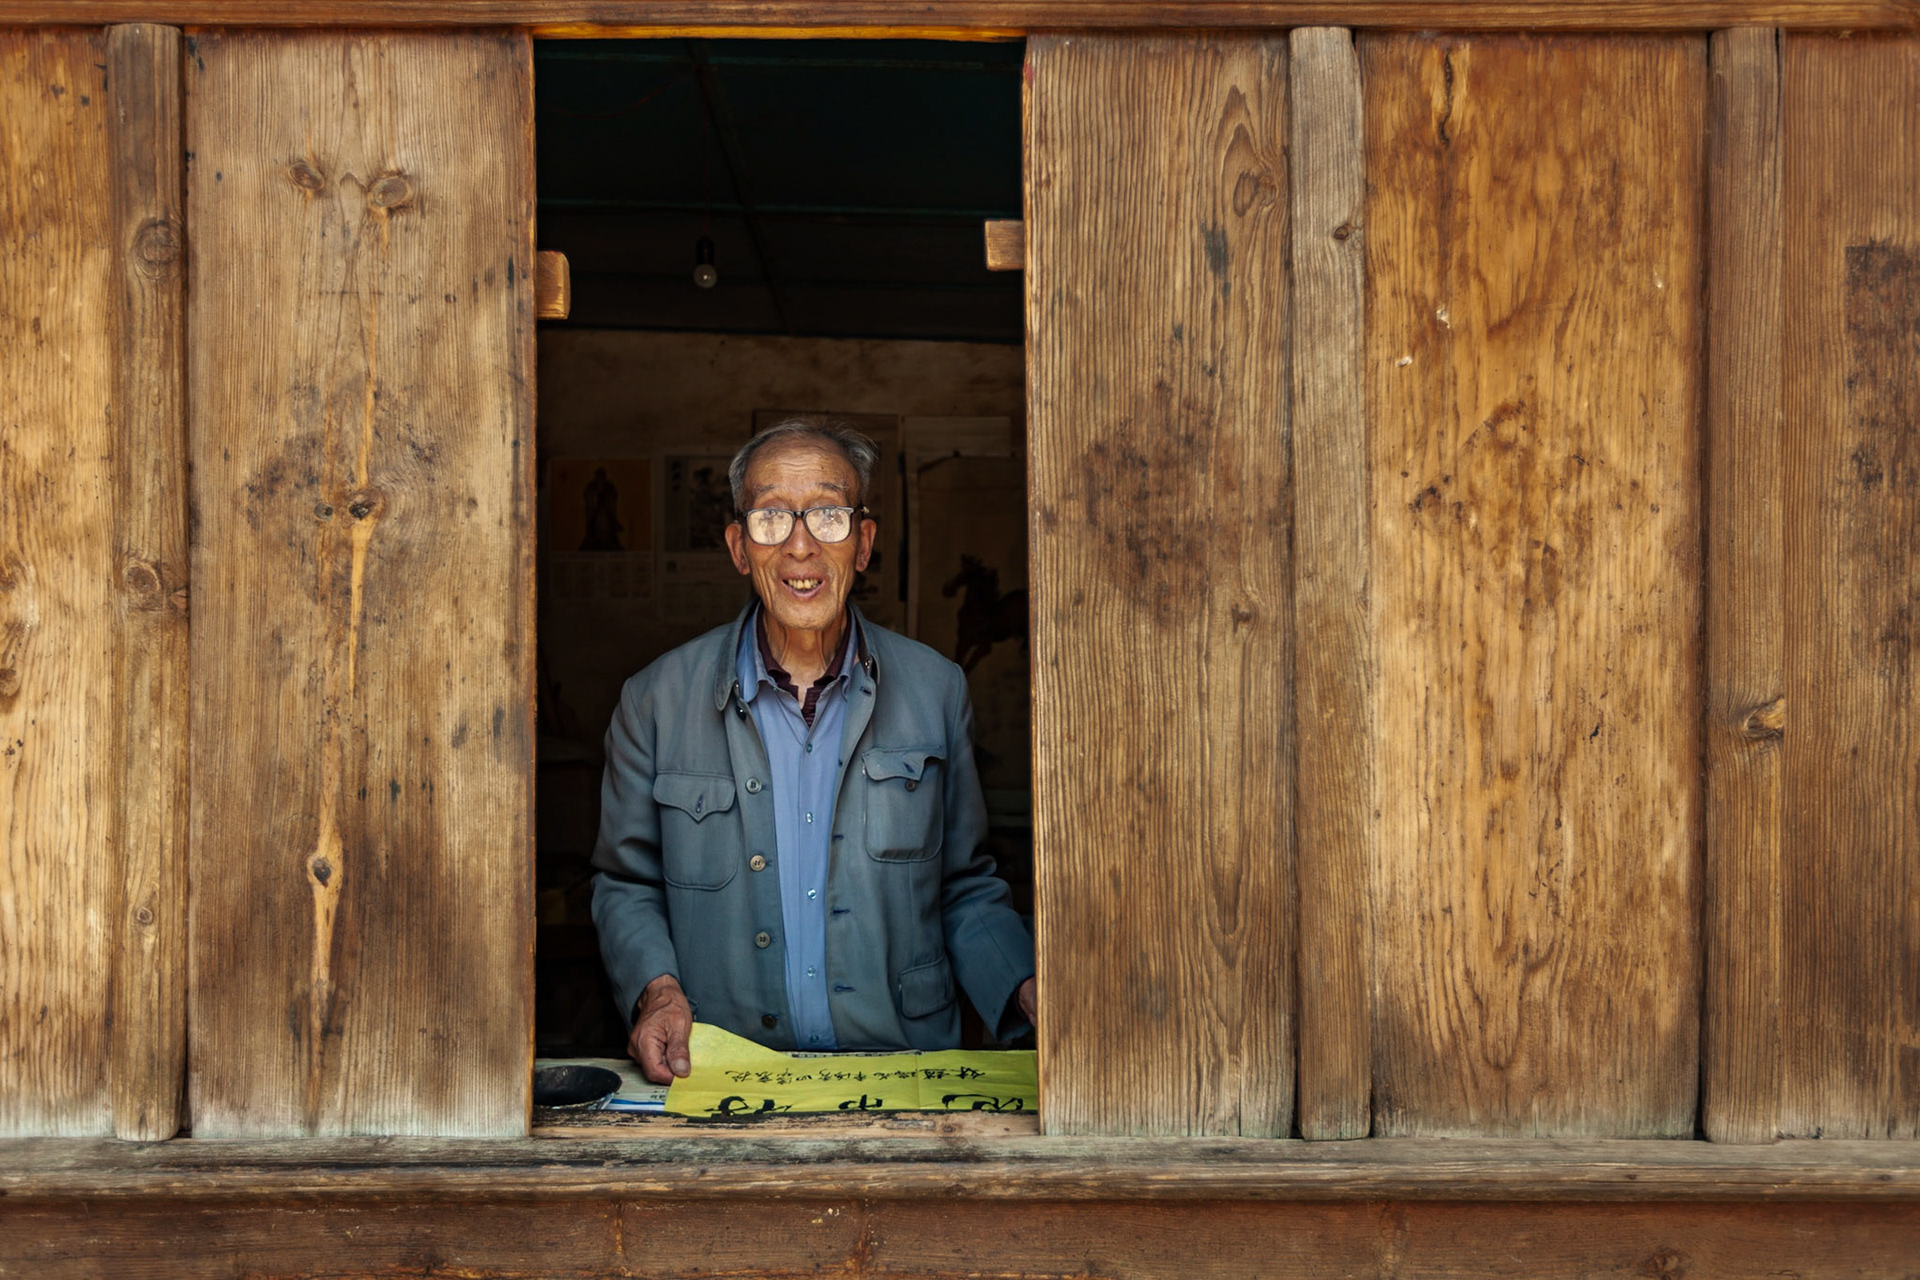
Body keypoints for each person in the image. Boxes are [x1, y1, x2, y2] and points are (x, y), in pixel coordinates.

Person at [591, 418, 1038, 1084]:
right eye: (772, 519)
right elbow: (626, 884)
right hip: (725, 1078)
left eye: (829, 515)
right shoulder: (656, 701)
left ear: (864, 542)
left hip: (899, 1074)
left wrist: (1027, 987)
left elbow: (964, 888)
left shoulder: (936, 690)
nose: (801, 546)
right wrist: (656, 988)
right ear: (740, 547)